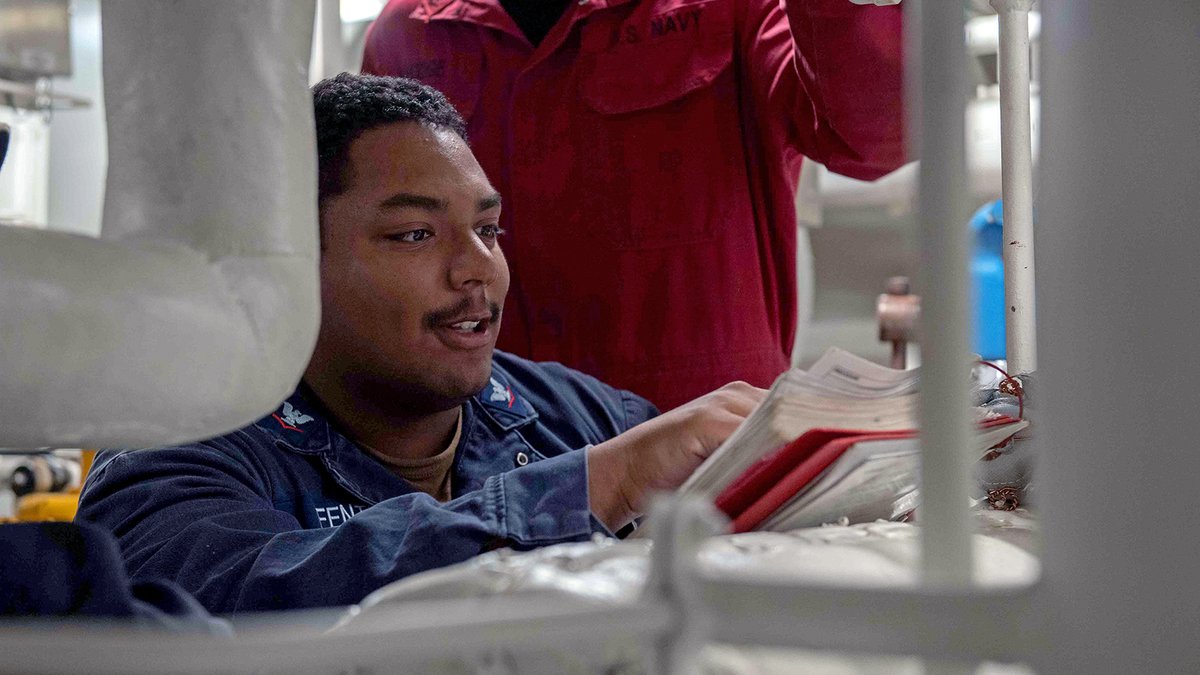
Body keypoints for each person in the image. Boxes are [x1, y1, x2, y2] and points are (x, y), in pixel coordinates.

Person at [75, 74, 765, 614]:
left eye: (488, 231)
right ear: (288, 260)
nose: (477, 270)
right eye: (415, 234)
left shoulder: (580, 417)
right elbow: (241, 602)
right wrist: (595, 487)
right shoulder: (182, 442)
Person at [361, 0, 907, 410]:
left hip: (710, 458)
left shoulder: (727, 7)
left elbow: (869, 139)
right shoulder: (413, 29)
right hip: (490, 453)